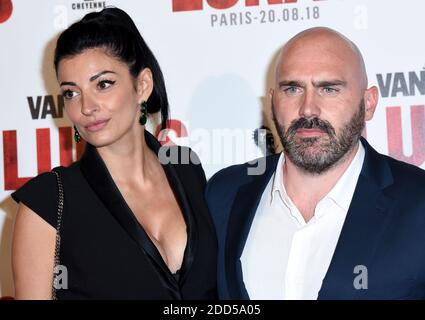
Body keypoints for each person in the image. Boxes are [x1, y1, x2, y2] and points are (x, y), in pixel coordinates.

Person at [11, 7, 217, 300]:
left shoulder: (187, 170)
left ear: (142, 85)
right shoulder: (46, 203)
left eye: (103, 84)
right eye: (71, 92)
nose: (86, 107)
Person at [206, 27, 425, 300]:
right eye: (293, 88)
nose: (308, 108)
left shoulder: (418, 203)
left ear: (368, 103)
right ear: (272, 102)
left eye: (329, 89)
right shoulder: (223, 194)